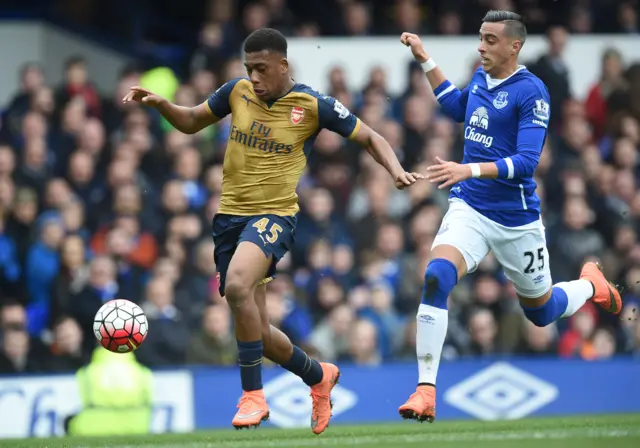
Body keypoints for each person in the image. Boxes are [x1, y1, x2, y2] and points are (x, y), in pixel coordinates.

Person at [124, 28, 422, 433]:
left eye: (262, 69)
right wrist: (162, 104)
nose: (255, 77)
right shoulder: (236, 92)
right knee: (259, 334)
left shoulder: (312, 105)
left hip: (273, 216)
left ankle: (253, 396)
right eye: (249, 68)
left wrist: (395, 170)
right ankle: (318, 376)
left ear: (283, 65)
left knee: (237, 285)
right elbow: (193, 121)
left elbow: (370, 135)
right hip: (229, 220)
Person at [398, 10, 622, 423]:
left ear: (514, 46)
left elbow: (526, 161)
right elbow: (455, 107)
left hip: (515, 219)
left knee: (540, 313)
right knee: (435, 276)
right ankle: (426, 390)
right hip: (470, 206)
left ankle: (590, 286)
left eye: (489, 40)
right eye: (480, 38)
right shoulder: (482, 77)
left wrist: (468, 168)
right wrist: (424, 57)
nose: (480, 46)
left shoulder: (532, 92)